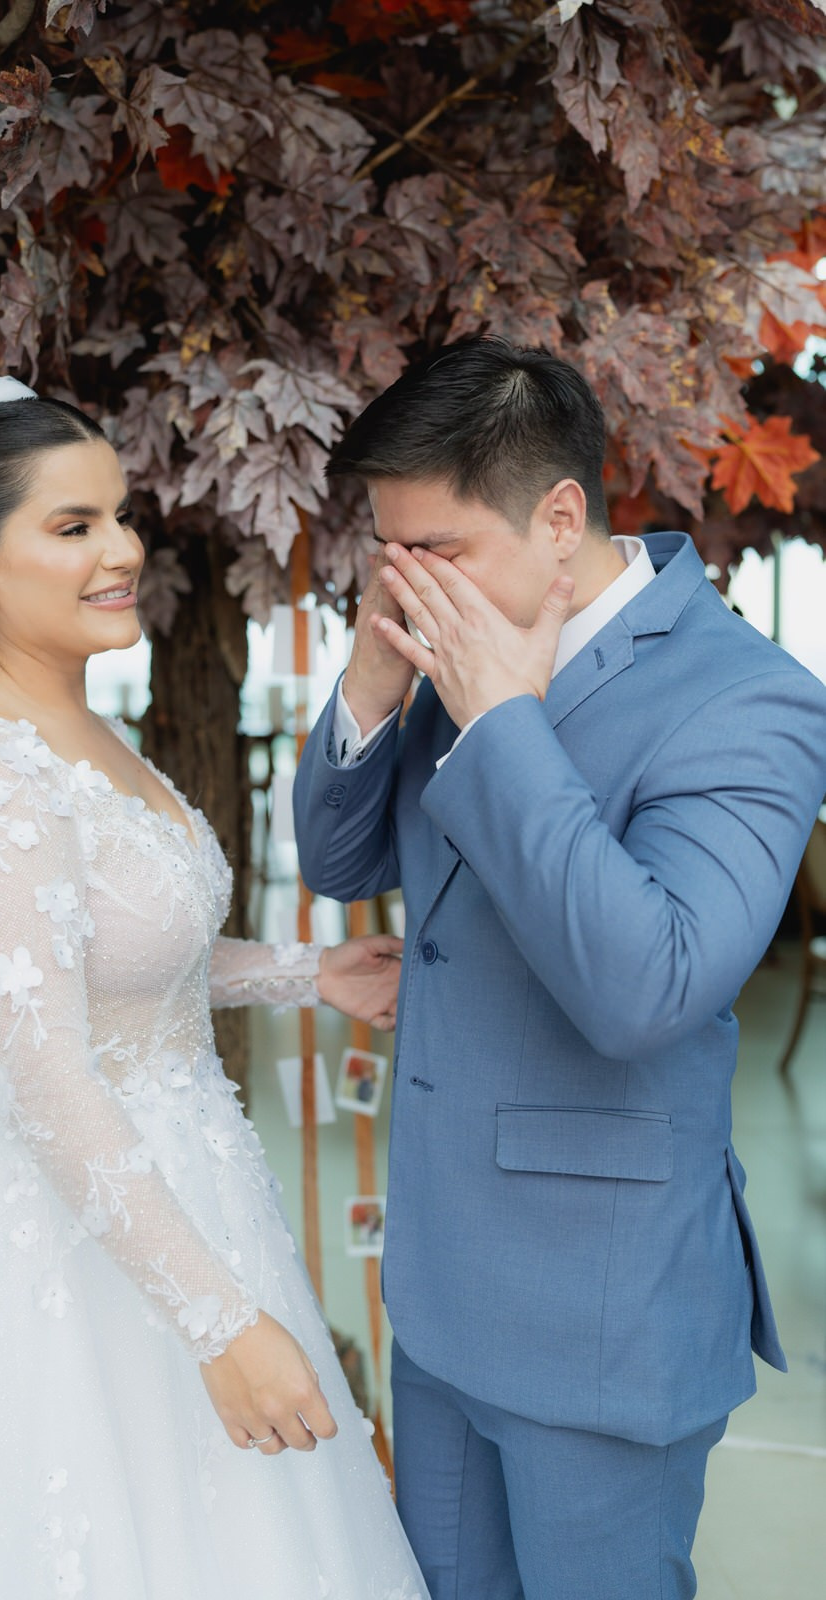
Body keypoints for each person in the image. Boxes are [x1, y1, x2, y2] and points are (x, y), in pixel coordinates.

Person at [0, 367, 425, 1598]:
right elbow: (40, 1071)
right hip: (51, 1240)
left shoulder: (85, 731)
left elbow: (121, 963)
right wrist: (219, 1323)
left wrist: (304, 970)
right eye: (70, 527)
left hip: (184, 1189)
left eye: (118, 515)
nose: (120, 549)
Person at [292, 335, 826, 1600]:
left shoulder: (747, 699)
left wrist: (504, 722)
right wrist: (373, 675)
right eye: (390, 550)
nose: (411, 581)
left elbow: (646, 985)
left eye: (439, 549)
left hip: (600, 1310)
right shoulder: (447, 636)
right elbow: (332, 854)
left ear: (560, 515)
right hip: (438, 1287)